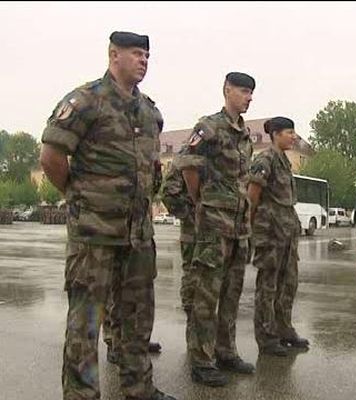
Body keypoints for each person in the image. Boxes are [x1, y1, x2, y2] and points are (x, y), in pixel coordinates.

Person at [39, 32, 176, 400]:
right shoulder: (85, 101)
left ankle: (139, 389)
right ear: (114, 55)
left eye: (147, 54)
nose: (144, 60)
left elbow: (152, 170)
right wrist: (78, 196)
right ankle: (82, 395)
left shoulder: (150, 112)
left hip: (138, 236)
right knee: (85, 323)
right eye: (136, 53)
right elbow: (51, 157)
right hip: (94, 235)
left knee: (137, 320)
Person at [175, 72, 256, 387]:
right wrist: (199, 200)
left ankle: (226, 351)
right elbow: (186, 161)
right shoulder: (209, 126)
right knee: (206, 296)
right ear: (227, 90)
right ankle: (201, 360)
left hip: (238, 227)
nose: (249, 97)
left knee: (231, 294)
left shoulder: (245, 134)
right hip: (213, 225)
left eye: (252, 92)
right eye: (244, 91)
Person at [248, 116, 310, 357]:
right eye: (289, 132)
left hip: (286, 232)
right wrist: (251, 230)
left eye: (294, 132)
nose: (293, 136)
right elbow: (252, 196)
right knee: (268, 286)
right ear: (275, 134)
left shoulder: (284, 161)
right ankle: (266, 337)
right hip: (270, 233)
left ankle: (284, 328)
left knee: (288, 284)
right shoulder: (265, 160)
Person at [160, 149, 196, 348]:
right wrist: (191, 215)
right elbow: (169, 192)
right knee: (193, 283)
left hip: (218, 232)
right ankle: (195, 343)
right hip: (194, 235)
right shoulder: (186, 155)